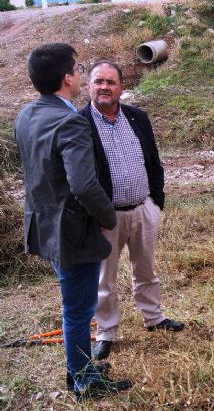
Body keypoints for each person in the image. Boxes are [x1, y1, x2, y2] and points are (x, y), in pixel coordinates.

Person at [14, 43, 132, 400]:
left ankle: (77, 369)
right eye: (79, 69)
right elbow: (83, 183)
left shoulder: (27, 115)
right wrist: (107, 216)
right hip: (74, 232)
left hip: (45, 225)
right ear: (67, 78)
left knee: (75, 305)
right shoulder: (70, 121)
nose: (82, 74)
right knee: (79, 310)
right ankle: (83, 380)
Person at [78, 61, 184, 361]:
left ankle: (154, 318)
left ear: (121, 87)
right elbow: (79, 177)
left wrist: (155, 202)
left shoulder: (137, 117)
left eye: (111, 82)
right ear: (89, 86)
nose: (104, 87)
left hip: (143, 209)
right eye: (98, 81)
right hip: (105, 217)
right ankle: (106, 332)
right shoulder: (80, 122)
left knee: (146, 269)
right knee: (103, 279)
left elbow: (153, 161)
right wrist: (93, 216)